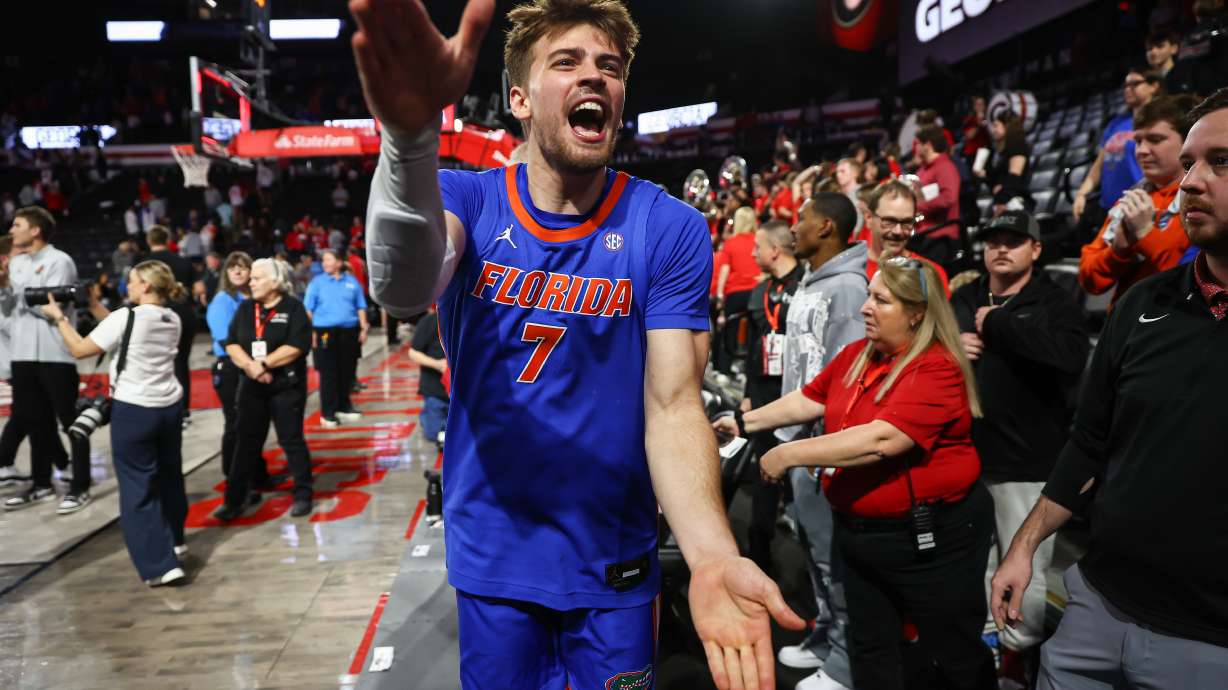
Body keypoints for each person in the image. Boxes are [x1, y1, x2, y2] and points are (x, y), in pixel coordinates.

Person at [352, 0, 803, 688]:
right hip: (496, 556)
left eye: (610, 67)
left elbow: (675, 405)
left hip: (614, 558)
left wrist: (711, 556)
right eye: (566, 62)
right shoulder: (466, 200)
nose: (594, 77)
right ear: (520, 100)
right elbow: (402, 285)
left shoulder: (669, 226)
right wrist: (410, 138)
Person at [991, 88, 1228, 689]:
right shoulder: (1142, 305)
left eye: (1220, 162)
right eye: (1193, 161)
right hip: (1094, 609)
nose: (1190, 182)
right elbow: (1089, 443)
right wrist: (1023, 546)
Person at [739, 255, 996, 690]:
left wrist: (787, 454)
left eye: (881, 299)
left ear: (916, 313)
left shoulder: (936, 367)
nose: (865, 307)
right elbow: (809, 399)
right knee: (870, 647)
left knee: (950, 654)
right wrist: (741, 421)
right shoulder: (861, 353)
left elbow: (881, 441)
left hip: (929, 540)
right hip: (862, 535)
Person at [950, 210, 1089, 686]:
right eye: (993, 240)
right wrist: (953, 347)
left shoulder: (1054, 299)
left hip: (1027, 463)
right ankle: (988, 648)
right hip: (966, 456)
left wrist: (998, 327)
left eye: (1014, 240)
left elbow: (1071, 358)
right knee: (976, 565)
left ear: (1035, 249)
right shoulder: (964, 295)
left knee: (1023, 573)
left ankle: (1017, 661)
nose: (1002, 248)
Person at [748, 192, 868, 690]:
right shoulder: (814, 283)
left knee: (830, 557)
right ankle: (825, 637)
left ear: (826, 228)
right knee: (813, 550)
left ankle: (846, 659)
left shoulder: (847, 289)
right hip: (801, 440)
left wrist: (821, 448)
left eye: (802, 218)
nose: (793, 226)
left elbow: (843, 381)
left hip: (823, 449)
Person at [38, 261, 189, 586]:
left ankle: (161, 566)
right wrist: (92, 304)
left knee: (138, 487)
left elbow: (79, 349)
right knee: (169, 477)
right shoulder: (170, 317)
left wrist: (60, 319)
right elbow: (127, 330)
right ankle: (175, 540)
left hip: (135, 410)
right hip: (169, 408)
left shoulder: (127, 316)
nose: (127, 287)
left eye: (132, 282)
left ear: (146, 286)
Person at [2, 207, 91, 513]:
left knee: (69, 420)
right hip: (22, 353)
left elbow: (49, 301)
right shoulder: (15, 264)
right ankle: (41, 483)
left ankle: (80, 485)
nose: (12, 230)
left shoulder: (59, 260)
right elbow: (10, 310)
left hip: (56, 353)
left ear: (35, 230)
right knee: (34, 420)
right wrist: (5, 290)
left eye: (17, 225)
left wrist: (17, 291)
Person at [215, 258, 313, 520]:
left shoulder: (293, 308)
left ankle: (303, 494)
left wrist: (265, 363)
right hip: (252, 383)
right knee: (245, 441)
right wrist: (251, 366)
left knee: (290, 439)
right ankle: (235, 499)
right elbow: (231, 342)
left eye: (257, 278)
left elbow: (297, 346)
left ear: (274, 281)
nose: (251, 282)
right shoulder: (247, 308)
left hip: (286, 385)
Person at [1078, 94, 1198, 305]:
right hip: (1124, 324)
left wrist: (1145, 235)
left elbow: (1191, 284)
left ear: (1188, 142)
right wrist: (1118, 251)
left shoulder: (1204, 198)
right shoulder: (1132, 198)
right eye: (1138, 141)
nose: (1141, 151)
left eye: (1155, 139)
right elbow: (1090, 280)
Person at [741, 219, 803, 576]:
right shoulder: (760, 291)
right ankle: (760, 557)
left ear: (775, 250)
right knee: (764, 471)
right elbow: (753, 349)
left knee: (799, 475)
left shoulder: (807, 286)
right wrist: (749, 394)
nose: (752, 252)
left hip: (798, 391)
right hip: (765, 392)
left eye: (758, 246)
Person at [205, 251, 269, 487]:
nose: (238, 272)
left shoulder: (255, 299)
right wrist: (251, 363)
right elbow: (225, 340)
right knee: (236, 423)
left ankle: (255, 472)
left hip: (253, 364)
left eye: (242, 267)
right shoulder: (222, 300)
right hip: (233, 366)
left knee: (254, 423)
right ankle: (234, 475)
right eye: (233, 268)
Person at [1072, 68, 1162, 225]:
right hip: (1108, 207)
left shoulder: (1160, 122)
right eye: (1126, 85)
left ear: (1153, 86)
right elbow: (1100, 164)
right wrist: (1082, 193)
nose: (1128, 89)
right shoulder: (1116, 123)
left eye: (1134, 84)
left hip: (1140, 206)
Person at [145, 226, 204, 423]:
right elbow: (199, 289)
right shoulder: (184, 261)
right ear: (168, 238)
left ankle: (161, 409)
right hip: (184, 313)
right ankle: (183, 410)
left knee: (152, 363)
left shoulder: (143, 264)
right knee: (181, 363)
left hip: (154, 316)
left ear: (149, 240)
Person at [303, 249, 368, 427]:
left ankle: (344, 406)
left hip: (349, 331)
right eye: (323, 260)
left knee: (347, 371)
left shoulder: (352, 282)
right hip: (325, 332)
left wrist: (363, 327)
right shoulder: (317, 283)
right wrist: (312, 332)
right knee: (328, 373)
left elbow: (360, 305)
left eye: (329, 260)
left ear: (339, 262)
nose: (324, 263)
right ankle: (328, 412)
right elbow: (308, 309)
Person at [864, 180, 951, 295]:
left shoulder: (929, 274)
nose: (898, 231)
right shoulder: (852, 270)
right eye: (889, 221)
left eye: (906, 222)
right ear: (869, 218)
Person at [714, 206, 761, 373]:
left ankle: (724, 371)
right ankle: (750, 371)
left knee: (729, 331)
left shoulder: (730, 243)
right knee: (754, 333)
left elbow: (725, 271)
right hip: (756, 292)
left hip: (735, 293)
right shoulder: (758, 240)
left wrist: (720, 294)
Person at [910, 125, 962, 268]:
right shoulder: (922, 170)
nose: (916, 148)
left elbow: (949, 197)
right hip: (923, 234)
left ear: (928, 145)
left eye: (918, 144)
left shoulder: (945, 167)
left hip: (941, 235)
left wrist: (916, 207)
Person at [0, 235, 28, 486]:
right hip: (15, 358)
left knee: (26, 411)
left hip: (19, 357)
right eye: (20, 251)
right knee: (27, 411)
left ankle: (4, 462)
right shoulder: (5, 286)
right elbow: (10, 325)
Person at [408, 304, 449, 449]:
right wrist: (437, 364)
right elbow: (413, 353)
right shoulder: (430, 321)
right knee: (434, 434)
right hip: (435, 391)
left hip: (459, 394)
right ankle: (426, 417)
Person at [976, 110, 1032, 214]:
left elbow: (1014, 178)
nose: (993, 130)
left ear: (1007, 126)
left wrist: (1002, 200)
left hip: (1014, 203)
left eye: (996, 126)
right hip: (1003, 201)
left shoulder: (1018, 146)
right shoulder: (1000, 151)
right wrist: (984, 175)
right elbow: (997, 179)